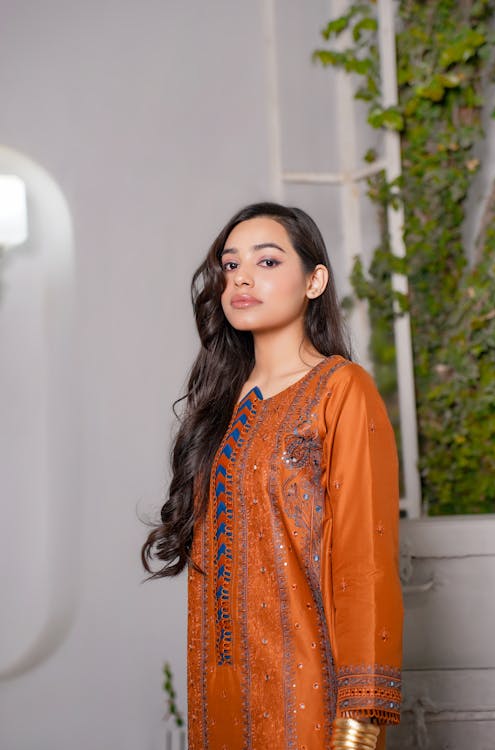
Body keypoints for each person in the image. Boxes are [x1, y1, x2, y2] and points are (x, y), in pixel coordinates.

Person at [142, 202, 403, 750]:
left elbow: (364, 561)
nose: (241, 277)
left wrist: (358, 725)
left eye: (266, 262)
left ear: (315, 280)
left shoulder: (340, 390)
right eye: (230, 265)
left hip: (311, 702)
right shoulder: (218, 407)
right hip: (220, 699)